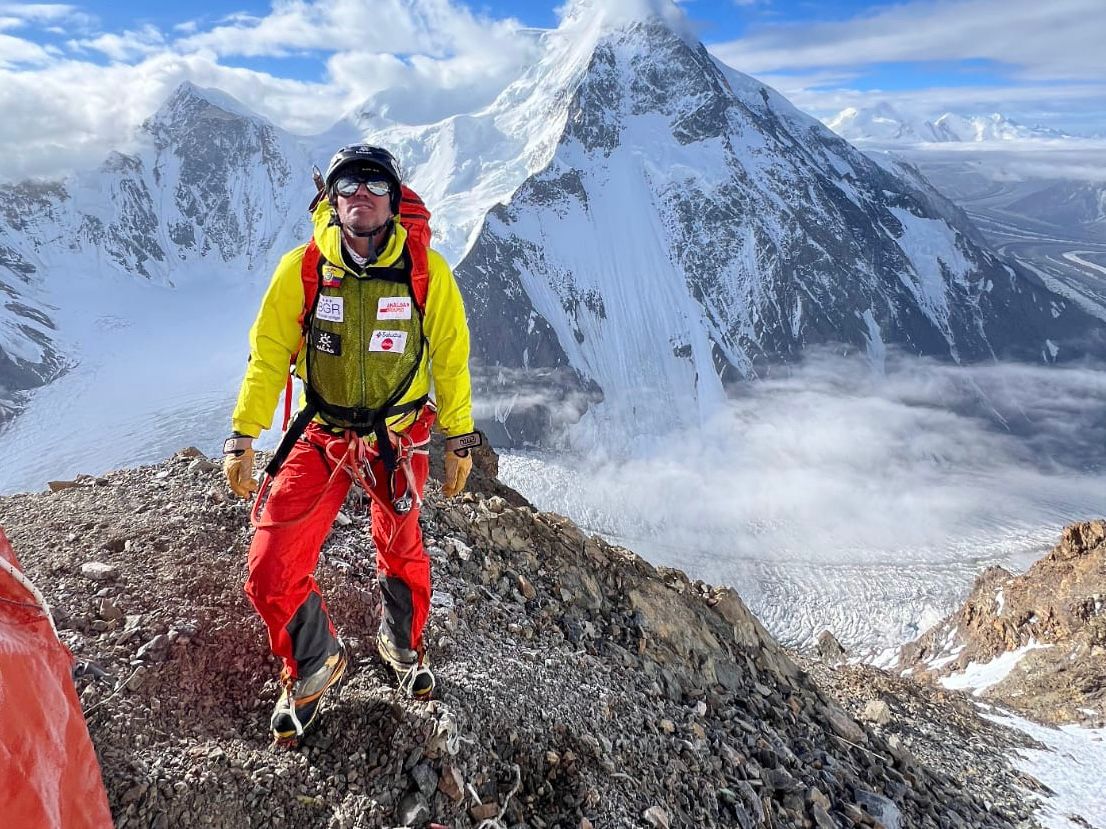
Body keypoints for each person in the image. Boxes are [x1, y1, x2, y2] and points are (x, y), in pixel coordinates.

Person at [222, 144, 480, 742]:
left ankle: (403, 642)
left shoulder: (426, 271)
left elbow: (450, 358)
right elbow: (268, 357)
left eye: (373, 183)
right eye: (347, 183)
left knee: (402, 542)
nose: (359, 192)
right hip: (323, 432)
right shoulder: (305, 267)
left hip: (399, 434)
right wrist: (244, 434)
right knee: (268, 566)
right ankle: (315, 658)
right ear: (331, 199)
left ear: (393, 198)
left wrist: (458, 436)